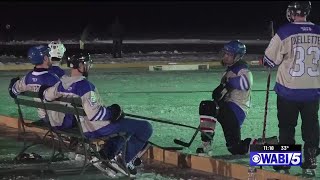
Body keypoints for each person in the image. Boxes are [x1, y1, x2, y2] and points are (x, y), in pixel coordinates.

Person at [38, 53, 153, 177]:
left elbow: (47, 95)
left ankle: (107, 154)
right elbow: (94, 114)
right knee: (145, 127)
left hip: (82, 126)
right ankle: (123, 160)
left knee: (125, 125)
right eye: (87, 64)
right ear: (80, 65)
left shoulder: (62, 83)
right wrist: (112, 112)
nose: (88, 66)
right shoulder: (85, 86)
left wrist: (43, 91)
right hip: (95, 128)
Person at [262, 1, 319, 172]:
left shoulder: (285, 31)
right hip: (313, 90)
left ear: (292, 12)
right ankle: (310, 160)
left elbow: (269, 60)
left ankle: (285, 162)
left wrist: (266, 58)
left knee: (287, 127)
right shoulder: (318, 31)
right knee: (311, 126)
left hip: (289, 91)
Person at [196, 40, 278, 155]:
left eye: (229, 54)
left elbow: (246, 83)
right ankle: (206, 145)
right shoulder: (228, 71)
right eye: (225, 53)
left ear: (237, 56)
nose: (225, 56)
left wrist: (227, 84)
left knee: (208, 106)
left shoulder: (242, 70)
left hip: (236, 110)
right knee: (234, 148)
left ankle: (268, 145)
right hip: (228, 108)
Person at [8, 45, 60, 123]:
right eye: (49, 56)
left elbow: (13, 91)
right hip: (57, 119)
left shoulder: (27, 78)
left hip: (44, 118)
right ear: (45, 58)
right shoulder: (52, 78)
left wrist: (14, 81)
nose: (50, 58)